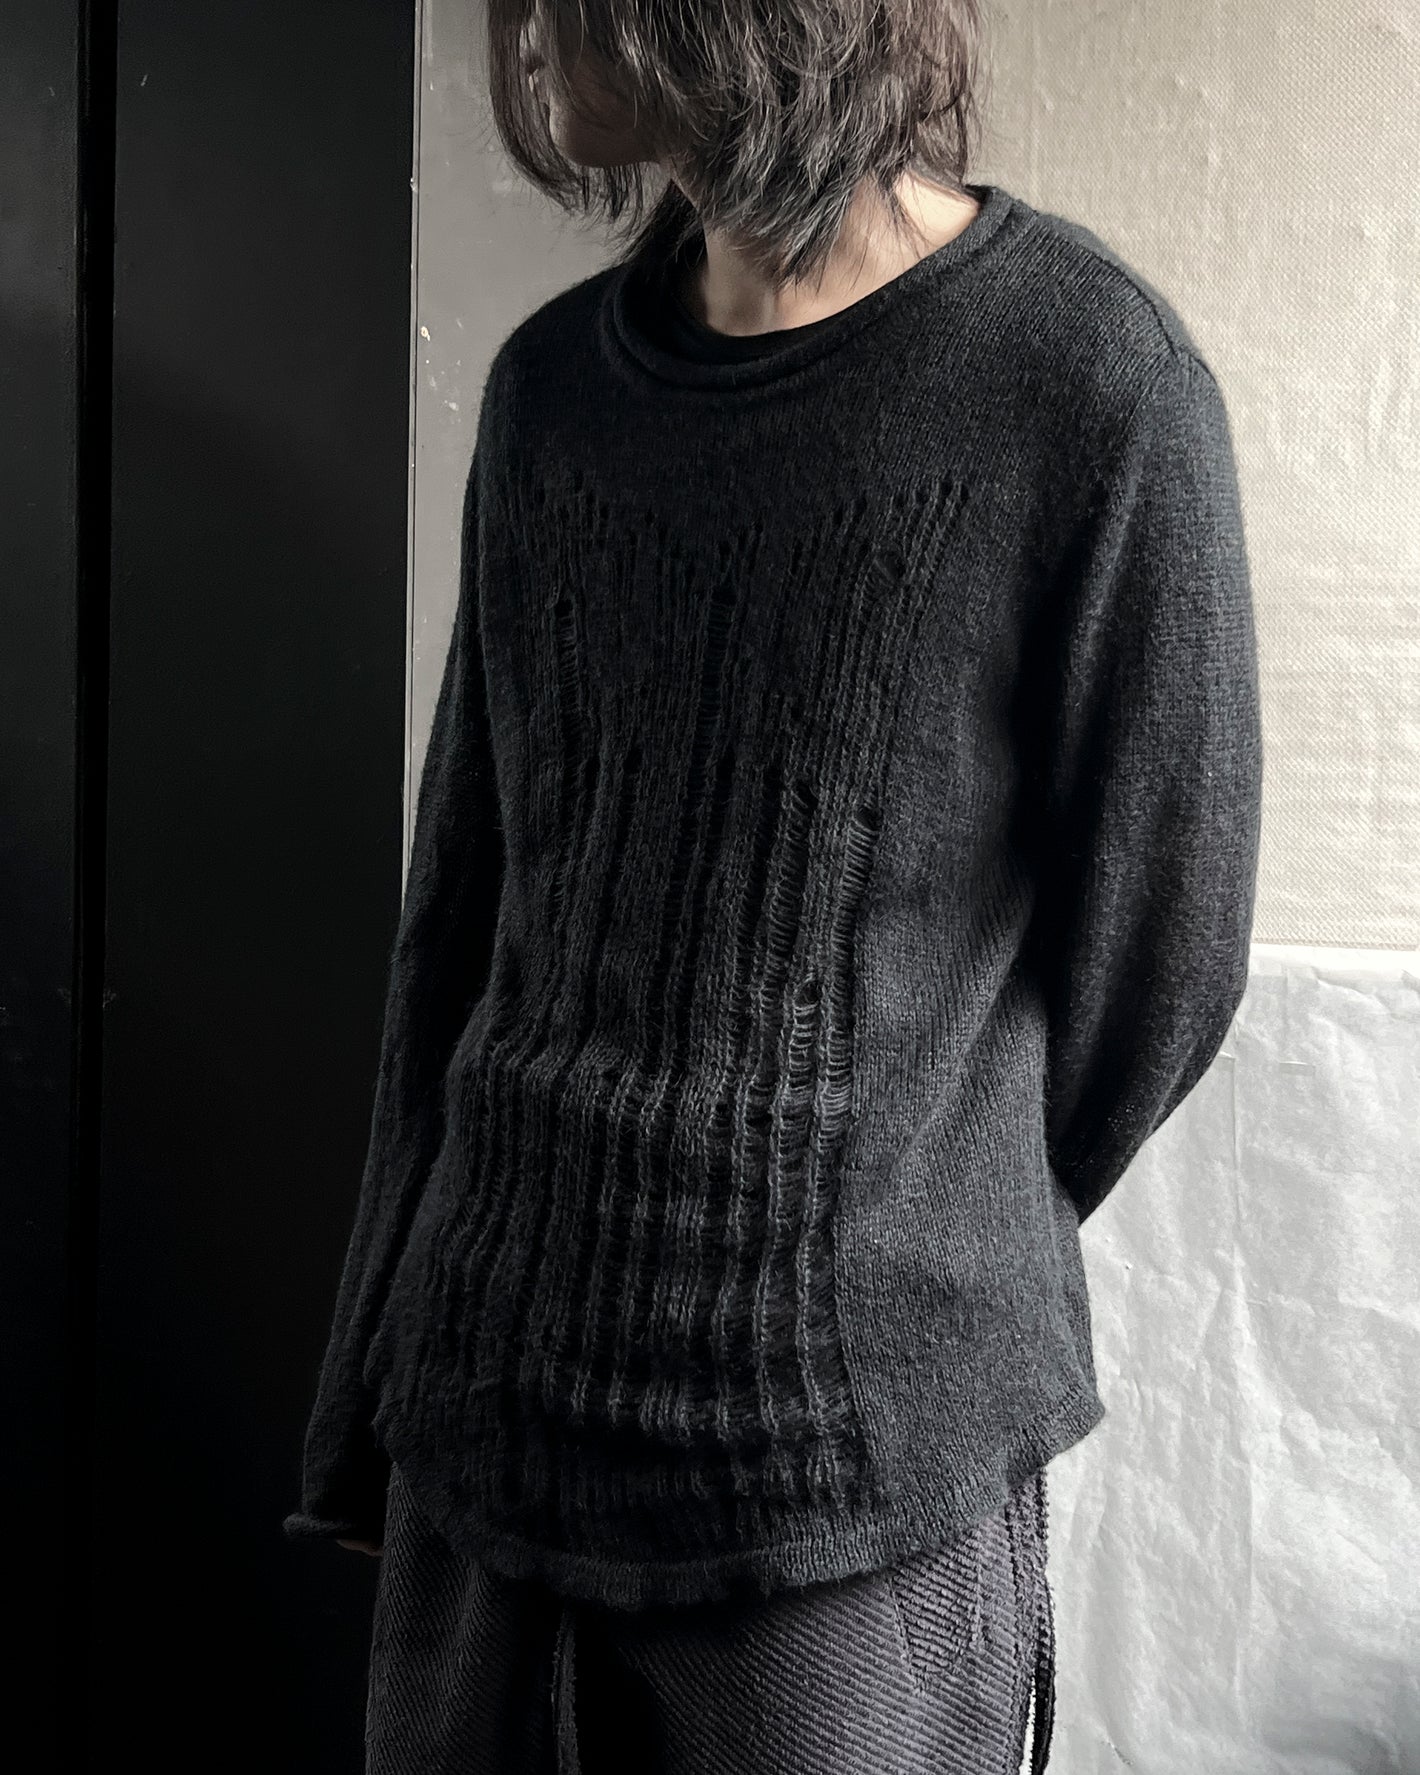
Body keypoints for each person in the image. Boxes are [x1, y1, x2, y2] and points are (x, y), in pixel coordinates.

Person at [285, 3, 1265, 1770]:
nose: (523, 32)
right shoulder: (553, 394)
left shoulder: (1084, 384)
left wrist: (911, 1231)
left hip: (842, 1521)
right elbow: (463, 923)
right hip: (483, 1445)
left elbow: (1165, 962)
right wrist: (364, 1397)